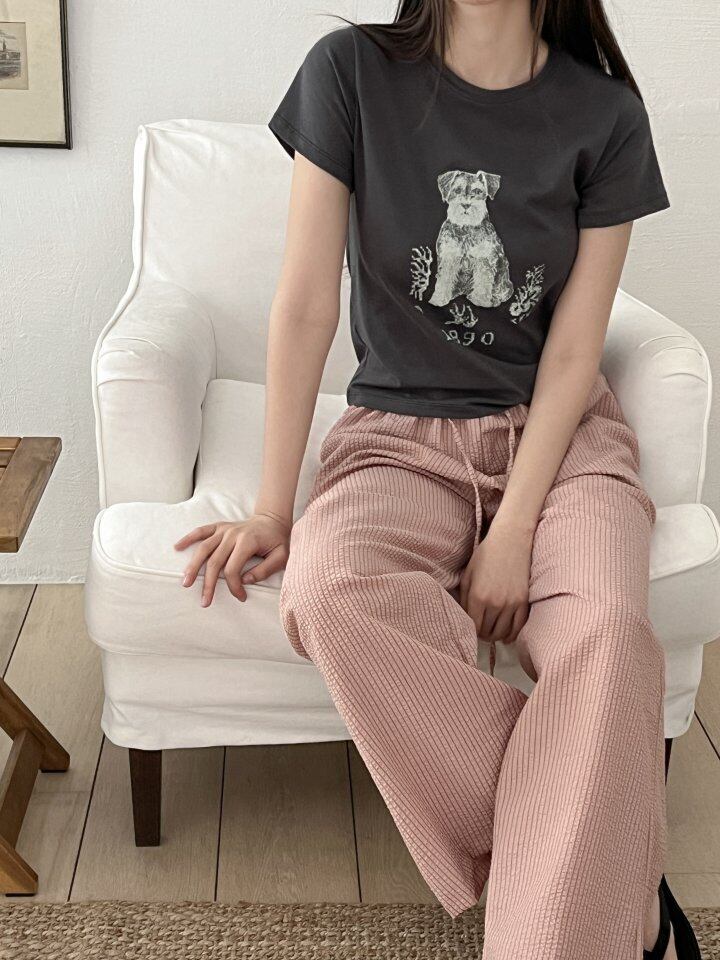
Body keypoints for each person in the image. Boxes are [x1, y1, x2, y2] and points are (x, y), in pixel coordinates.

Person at [174, 2, 702, 957]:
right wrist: (271, 506)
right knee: (331, 594)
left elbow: (575, 347)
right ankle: (603, 861)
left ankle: (567, 917)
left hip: (562, 442)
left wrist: (513, 530)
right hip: (395, 434)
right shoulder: (349, 73)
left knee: (611, 639)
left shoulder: (606, 115)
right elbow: (306, 302)